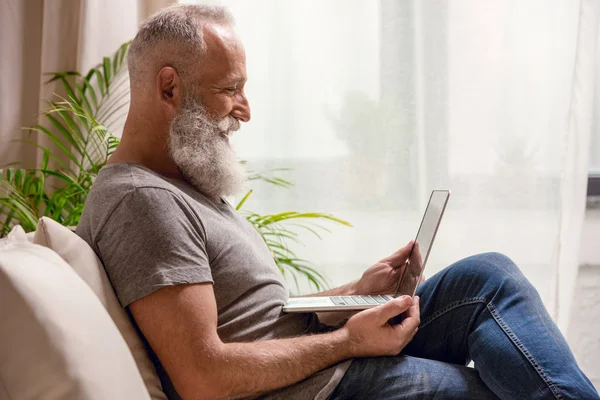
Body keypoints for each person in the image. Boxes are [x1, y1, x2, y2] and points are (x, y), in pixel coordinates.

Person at [76, 4, 598, 400]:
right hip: (319, 387)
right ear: (169, 88)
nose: (246, 109)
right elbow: (202, 376)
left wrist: (351, 296)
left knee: (489, 276)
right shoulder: (141, 201)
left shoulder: (181, 183)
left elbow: (253, 319)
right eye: (229, 89)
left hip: (317, 361)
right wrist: (349, 340)